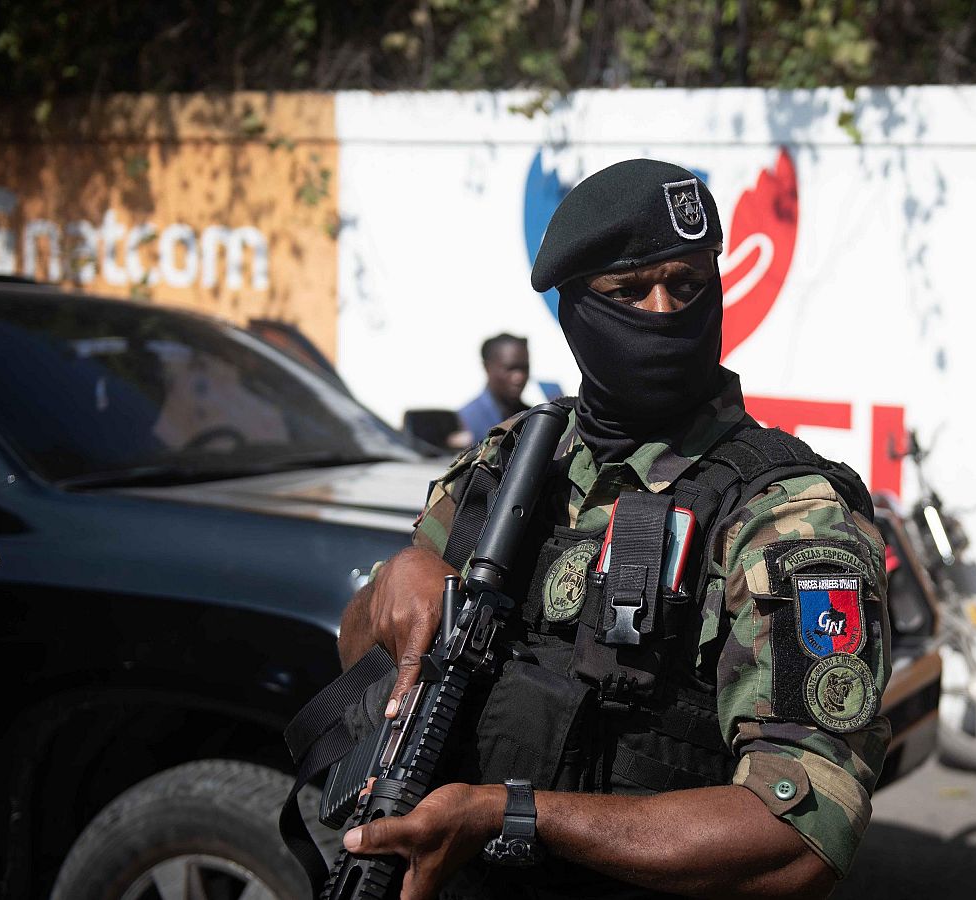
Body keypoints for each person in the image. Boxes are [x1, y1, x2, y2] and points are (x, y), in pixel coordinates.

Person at [337, 159, 890, 900]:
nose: (662, 312)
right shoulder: (506, 471)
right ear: (573, 314)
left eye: (687, 284)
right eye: (629, 292)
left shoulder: (787, 514)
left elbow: (797, 833)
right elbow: (361, 671)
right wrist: (392, 587)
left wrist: (512, 816)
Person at [458, 333, 532, 444]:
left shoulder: (532, 417)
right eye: (510, 369)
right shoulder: (466, 420)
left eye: (524, 368)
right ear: (487, 368)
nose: (519, 377)